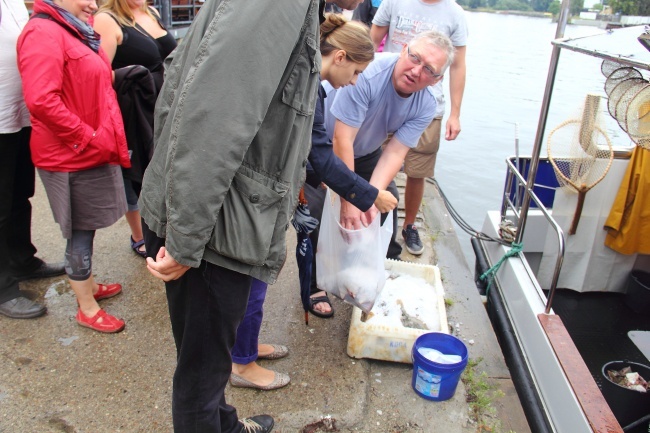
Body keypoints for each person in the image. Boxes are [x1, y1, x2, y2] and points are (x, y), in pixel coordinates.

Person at [139, 0, 331, 431]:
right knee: (199, 383)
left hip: (217, 215)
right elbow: (213, 113)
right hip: (213, 233)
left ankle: (226, 425)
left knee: (207, 359)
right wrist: (187, 238)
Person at [229, 13, 397, 389]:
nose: (354, 82)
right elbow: (320, 156)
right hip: (257, 194)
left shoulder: (306, 82)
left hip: (271, 189)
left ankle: (247, 345)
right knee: (254, 277)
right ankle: (241, 365)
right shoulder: (307, 85)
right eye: (355, 73)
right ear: (339, 57)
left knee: (259, 275)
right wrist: (370, 195)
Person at [17, 0, 131, 333]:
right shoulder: (43, 32)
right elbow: (41, 99)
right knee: (79, 231)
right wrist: (88, 136)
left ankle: (89, 285)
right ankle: (86, 307)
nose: (93, 4)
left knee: (87, 225)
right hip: (69, 155)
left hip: (86, 150)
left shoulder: (69, 29)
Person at [315, 30, 455, 264]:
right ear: (403, 50)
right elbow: (343, 139)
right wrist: (351, 199)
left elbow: (395, 152)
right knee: (321, 208)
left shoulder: (427, 105)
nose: (416, 71)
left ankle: (377, 262)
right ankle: (316, 281)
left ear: (437, 80)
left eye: (429, 70)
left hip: (367, 150)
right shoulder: (368, 73)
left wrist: (369, 199)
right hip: (326, 145)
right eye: (415, 58)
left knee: (385, 199)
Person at [370, 0, 467, 256]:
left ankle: (409, 225)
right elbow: (373, 38)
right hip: (387, 97)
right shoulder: (394, 2)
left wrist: (455, 113)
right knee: (374, 160)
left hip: (427, 107)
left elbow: (458, 65)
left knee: (417, 170)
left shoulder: (455, 13)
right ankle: (372, 216)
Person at [93, 0, 177, 259]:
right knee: (137, 171)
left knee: (164, 170)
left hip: (164, 108)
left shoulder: (150, 11)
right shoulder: (107, 19)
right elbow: (98, 73)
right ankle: (139, 235)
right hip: (134, 112)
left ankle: (163, 228)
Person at [0, 0, 66, 320]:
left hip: (18, 116)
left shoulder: (15, 3)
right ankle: (3, 287)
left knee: (19, 194)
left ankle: (22, 259)